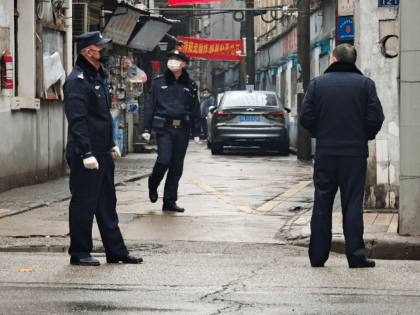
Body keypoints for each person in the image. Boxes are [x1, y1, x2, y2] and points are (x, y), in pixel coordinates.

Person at [300, 44, 385, 268]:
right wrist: (363, 135)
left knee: (322, 203)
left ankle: (318, 257)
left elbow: (306, 117)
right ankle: (356, 257)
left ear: (333, 60)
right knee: (352, 204)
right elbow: (376, 117)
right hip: (354, 154)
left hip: (326, 152)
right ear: (354, 62)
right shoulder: (366, 85)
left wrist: (320, 134)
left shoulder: (317, 84)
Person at [64, 31, 143, 266]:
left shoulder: (97, 77)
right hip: (85, 153)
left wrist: (110, 143)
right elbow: (77, 120)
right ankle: (79, 253)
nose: (104, 51)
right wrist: (86, 152)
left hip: (102, 151)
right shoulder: (77, 80)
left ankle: (116, 252)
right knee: (84, 204)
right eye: (101, 47)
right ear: (89, 51)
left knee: (107, 203)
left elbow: (101, 117)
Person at [142, 50, 201, 212]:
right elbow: (150, 106)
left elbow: (195, 109)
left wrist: (196, 132)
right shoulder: (159, 82)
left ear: (183, 64)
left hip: (182, 129)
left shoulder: (191, 85)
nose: (172, 62)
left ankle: (169, 201)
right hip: (165, 128)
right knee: (164, 160)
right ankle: (153, 183)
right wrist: (146, 128)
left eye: (176, 59)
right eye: (170, 59)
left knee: (176, 166)